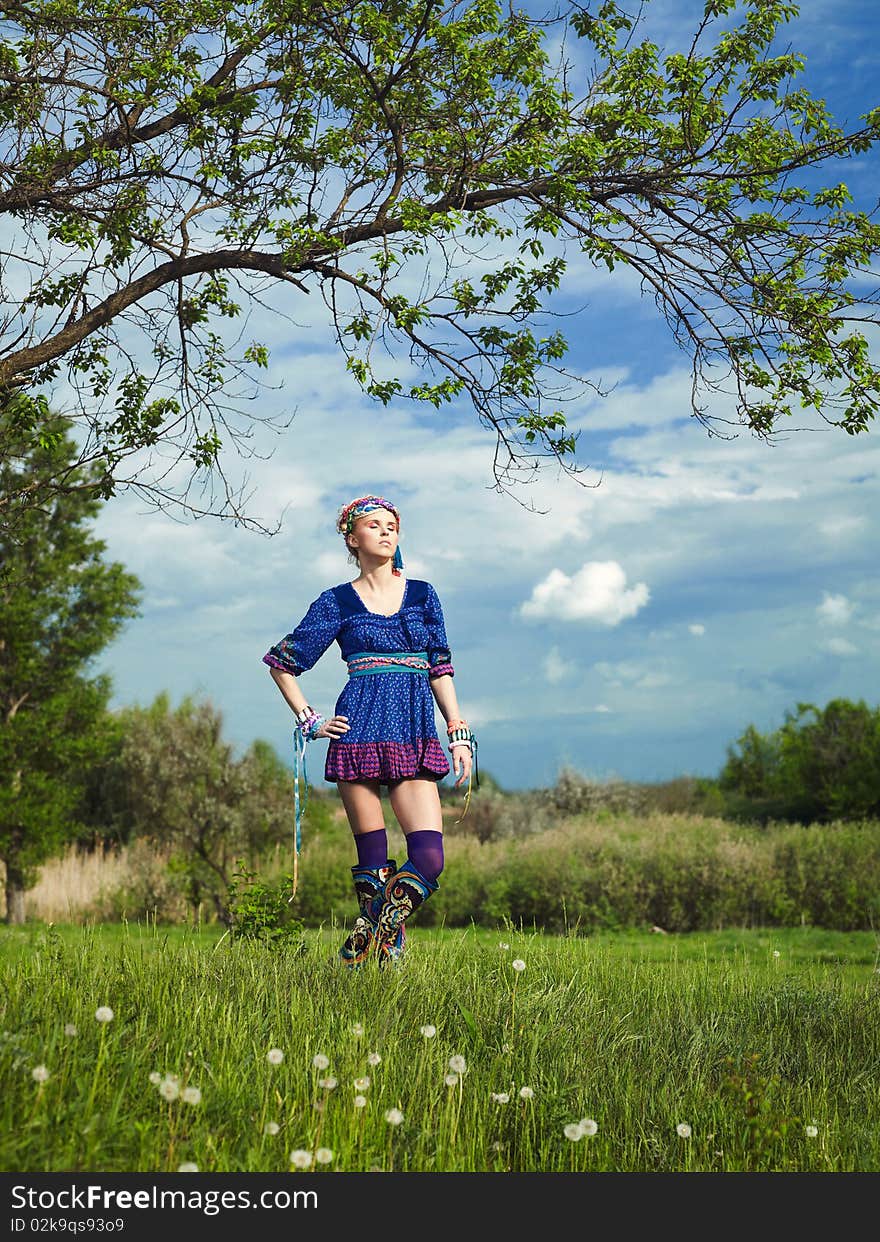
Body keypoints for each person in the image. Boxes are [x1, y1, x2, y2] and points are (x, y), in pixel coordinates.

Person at [262, 495, 475, 968]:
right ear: (351, 538)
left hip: (415, 730)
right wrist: (311, 721)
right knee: (373, 867)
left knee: (430, 858)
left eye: (392, 525)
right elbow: (283, 663)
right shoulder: (335, 601)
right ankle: (374, 977)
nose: (386, 531)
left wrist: (457, 731)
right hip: (357, 730)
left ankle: (357, 948)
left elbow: (440, 666)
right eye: (374, 524)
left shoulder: (423, 594)